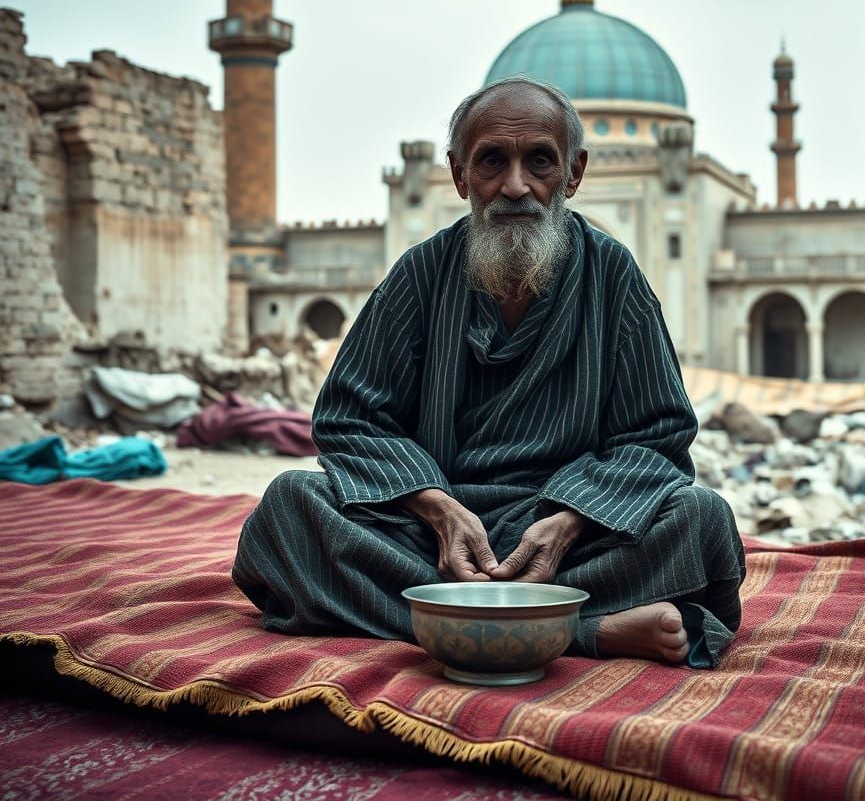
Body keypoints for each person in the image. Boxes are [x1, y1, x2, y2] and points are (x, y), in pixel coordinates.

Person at [232, 77, 746, 667]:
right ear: (458, 175)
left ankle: (447, 619)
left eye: (540, 162)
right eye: (492, 162)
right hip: (432, 533)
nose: (515, 185)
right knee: (290, 506)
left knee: (702, 519)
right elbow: (348, 418)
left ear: (574, 174)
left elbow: (658, 435)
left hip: (571, 535)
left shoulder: (613, 277)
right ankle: (583, 628)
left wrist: (566, 523)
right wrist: (440, 511)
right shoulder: (422, 273)